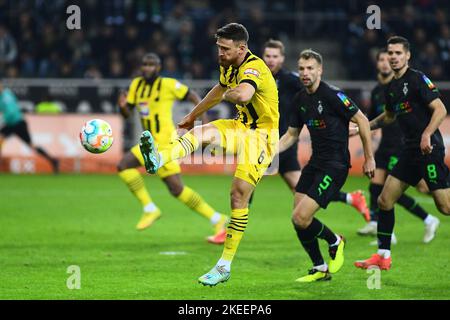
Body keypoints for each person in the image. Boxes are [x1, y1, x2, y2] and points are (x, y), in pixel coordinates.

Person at [139, 23, 279, 286]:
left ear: (242, 48)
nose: (220, 54)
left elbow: (245, 93)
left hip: (262, 136)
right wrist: (193, 116)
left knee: (238, 195)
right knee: (201, 133)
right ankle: (159, 159)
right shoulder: (228, 64)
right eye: (218, 48)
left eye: (225, 49)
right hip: (240, 127)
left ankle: (224, 265)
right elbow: (219, 89)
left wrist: (231, 93)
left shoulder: (254, 67)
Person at [278, 49, 375, 282]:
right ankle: (320, 268)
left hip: (336, 165)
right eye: (301, 68)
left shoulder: (333, 95)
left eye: (310, 68)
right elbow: (291, 135)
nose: (305, 73)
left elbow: (361, 119)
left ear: (320, 70)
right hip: (315, 163)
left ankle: (335, 241)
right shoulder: (299, 100)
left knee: (301, 218)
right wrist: (269, 152)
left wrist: (370, 157)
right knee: (297, 217)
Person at [355, 36, 450, 271]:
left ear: (407, 55)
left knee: (445, 207)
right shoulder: (391, 88)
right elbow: (388, 117)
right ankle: (383, 255)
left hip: (429, 150)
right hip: (409, 152)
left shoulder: (417, 79)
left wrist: (427, 133)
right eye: (391, 53)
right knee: (384, 200)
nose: (394, 57)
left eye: (398, 53)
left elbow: (440, 109)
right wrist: (363, 126)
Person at [117, 53, 228, 243]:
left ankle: (216, 218)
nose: (148, 68)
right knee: (125, 166)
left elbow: (192, 95)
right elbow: (127, 113)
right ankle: (151, 209)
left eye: (152, 65)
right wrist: (122, 107)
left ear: (158, 68)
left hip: (165, 143)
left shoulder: (169, 84)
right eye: (145, 64)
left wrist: (202, 118)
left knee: (176, 188)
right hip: (149, 142)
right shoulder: (136, 85)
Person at [261, 39, 370, 221]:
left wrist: (368, 154)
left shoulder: (293, 81)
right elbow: (292, 130)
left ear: (282, 59)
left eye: (275, 56)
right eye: (267, 56)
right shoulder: (261, 81)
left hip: (295, 148)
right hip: (279, 143)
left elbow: (357, 117)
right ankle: (351, 199)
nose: (271, 60)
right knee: (300, 200)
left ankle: (231, 229)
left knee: (245, 185)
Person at [0, 80, 59, 173]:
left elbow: (11, 111)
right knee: (31, 145)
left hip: (16, 123)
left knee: (30, 145)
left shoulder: (5, 96)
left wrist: (4, 120)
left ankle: (53, 161)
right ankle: (53, 160)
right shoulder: (6, 94)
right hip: (16, 123)